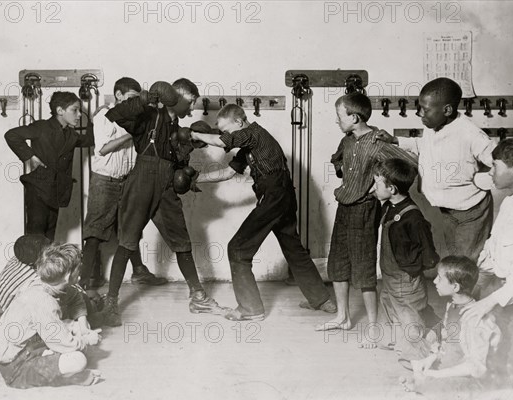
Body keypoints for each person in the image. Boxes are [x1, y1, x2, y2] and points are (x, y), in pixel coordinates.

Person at [191, 103, 337, 321]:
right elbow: (227, 173)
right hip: (282, 196)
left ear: (239, 123)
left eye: (227, 130)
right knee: (293, 248)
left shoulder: (253, 133)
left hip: (275, 195)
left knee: (237, 249)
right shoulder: (247, 147)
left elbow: (221, 142)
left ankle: (250, 309)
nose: (225, 135)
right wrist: (195, 179)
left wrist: (194, 134)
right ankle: (322, 300)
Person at [100, 79, 225, 326]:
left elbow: (174, 162)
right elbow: (114, 114)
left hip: (165, 185)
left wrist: (186, 176)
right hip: (142, 183)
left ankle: (198, 296)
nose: (191, 109)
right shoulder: (148, 115)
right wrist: (146, 96)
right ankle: (110, 303)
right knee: (126, 243)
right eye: (190, 102)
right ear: (176, 96)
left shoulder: (176, 126)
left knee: (182, 241)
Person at [317, 92, 417, 337]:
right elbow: (339, 162)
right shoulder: (347, 140)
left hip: (364, 210)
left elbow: (410, 165)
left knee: (363, 267)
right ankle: (342, 317)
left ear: (354, 117)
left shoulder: (378, 142)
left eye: (339, 116)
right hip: (344, 208)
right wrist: (344, 171)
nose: (336, 121)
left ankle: (373, 326)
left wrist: (377, 187)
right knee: (337, 263)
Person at [376, 77, 496, 262]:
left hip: (471, 211)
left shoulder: (470, 134)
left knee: (466, 263)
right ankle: (461, 288)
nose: (419, 113)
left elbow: (500, 161)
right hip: (448, 209)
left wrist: (481, 180)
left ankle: (470, 290)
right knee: (455, 257)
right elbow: (424, 146)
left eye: (425, 109)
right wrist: (396, 140)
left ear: (446, 110)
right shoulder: (434, 127)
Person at [79, 77, 166, 299]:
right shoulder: (103, 116)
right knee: (95, 232)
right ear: (118, 95)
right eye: (130, 99)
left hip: (128, 179)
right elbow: (104, 149)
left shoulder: (137, 117)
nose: (134, 104)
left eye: (137, 100)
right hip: (104, 181)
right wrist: (133, 133)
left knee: (130, 228)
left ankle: (139, 272)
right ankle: (82, 282)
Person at [0, 243, 103, 388]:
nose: (80, 274)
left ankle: (54, 360)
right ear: (68, 275)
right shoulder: (43, 301)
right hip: (16, 368)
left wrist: (83, 328)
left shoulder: (43, 283)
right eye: (79, 270)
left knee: (78, 327)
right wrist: (86, 340)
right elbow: (66, 344)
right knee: (78, 359)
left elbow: (76, 297)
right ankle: (67, 378)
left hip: (30, 347)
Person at [462, 138, 513, 389]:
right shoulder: (510, 201)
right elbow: (493, 243)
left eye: (495, 166)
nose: (491, 173)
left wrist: (488, 301)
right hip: (501, 286)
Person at [400, 256, 501, 400]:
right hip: (449, 361)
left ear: (455, 287)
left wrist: (437, 375)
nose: (434, 281)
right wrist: (431, 358)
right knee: (410, 346)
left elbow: (477, 367)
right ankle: (422, 380)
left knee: (443, 389)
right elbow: (448, 343)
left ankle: (422, 383)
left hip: (469, 375)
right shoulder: (452, 306)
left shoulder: (475, 319)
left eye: (439, 278)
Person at [368, 158, 440, 362]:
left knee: (410, 321)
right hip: (390, 278)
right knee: (390, 311)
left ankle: (419, 355)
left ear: (391, 188)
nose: (373, 188)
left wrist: (413, 269)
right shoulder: (389, 206)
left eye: (376, 184)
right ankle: (425, 330)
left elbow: (429, 254)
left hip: (405, 280)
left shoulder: (413, 217)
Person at [5, 91, 94, 240]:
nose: (79, 115)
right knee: (35, 238)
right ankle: (33, 264)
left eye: (79, 111)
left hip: (57, 192)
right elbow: (11, 135)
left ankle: (45, 264)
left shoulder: (71, 135)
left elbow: (88, 141)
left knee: (50, 237)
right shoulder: (42, 127)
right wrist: (30, 157)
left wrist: (93, 120)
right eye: (75, 110)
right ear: (60, 111)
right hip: (38, 191)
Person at [0, 235, 104, 329]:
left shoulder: (16, 259)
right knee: (90, 301)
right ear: (38, 261)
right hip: (19, 322)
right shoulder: (37, 277)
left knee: (80, 297)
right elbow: (72, 289)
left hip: (1, 309)